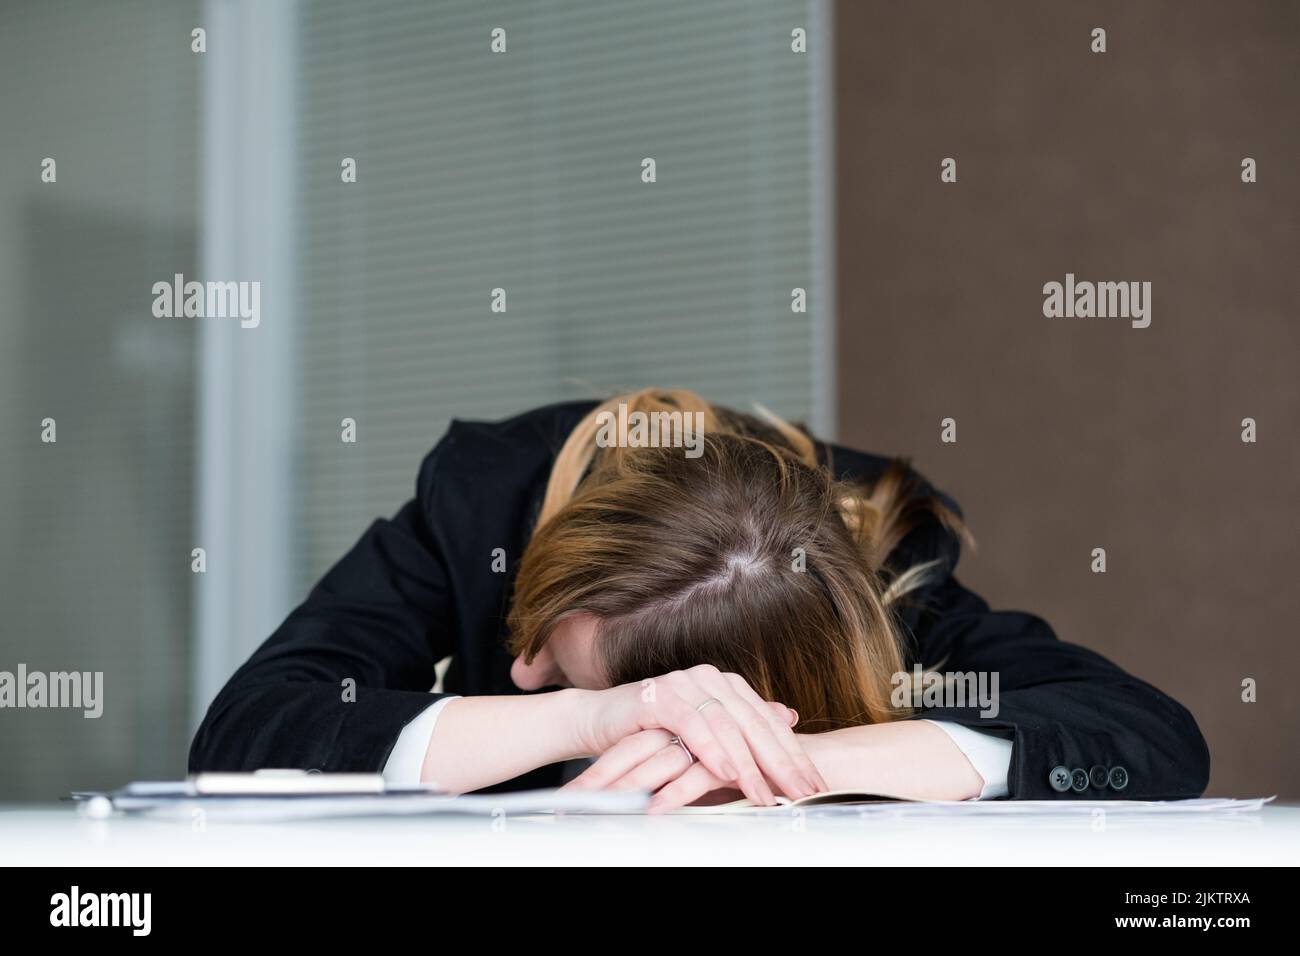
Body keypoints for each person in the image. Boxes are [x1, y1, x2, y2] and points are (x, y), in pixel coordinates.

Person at [190, 389, 1210, 811]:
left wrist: (786, 761)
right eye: (545, 657)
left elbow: (1148, 734)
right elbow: (247, 728)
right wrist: (581, 715)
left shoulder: (872, 558)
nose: (523, 671)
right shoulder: (478, 503)